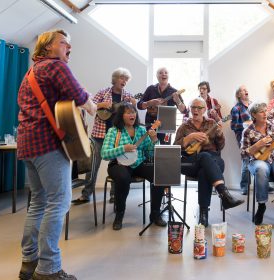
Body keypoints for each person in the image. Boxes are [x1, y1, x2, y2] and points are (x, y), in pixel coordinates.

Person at [17, 29, 96, 280]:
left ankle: (29, 262)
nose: (68, 48)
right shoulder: (55, 67)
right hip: (48, 145)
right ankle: (48, 269)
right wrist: (91, 105)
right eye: (64, 43)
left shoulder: (31, 72)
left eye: (69, 44)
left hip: (28, 144)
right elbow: (80, 96)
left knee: (38, 202)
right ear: (47, 46)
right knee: (59, 202)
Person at [174, 97, 244, 227]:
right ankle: (224, 194)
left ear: (204, 109)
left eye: (199, 108)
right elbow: (175, 148)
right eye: (193, 107)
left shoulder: (212, 123)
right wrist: (189, 137)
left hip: (213, 159)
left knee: (204, 170)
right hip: (189, 161)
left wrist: (219, 134)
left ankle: (203, 214)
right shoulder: (184, 126)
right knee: (204, 157)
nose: (195, 110)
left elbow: (221, 146)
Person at [71, 67, 136, 206]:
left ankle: (114, 194)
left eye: (126, 79)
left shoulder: (128, 96)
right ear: (115, 79)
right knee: (92, 166)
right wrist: (102, 104)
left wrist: (134, 104)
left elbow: (132, 114)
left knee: (117, 166)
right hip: (99, 135)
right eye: (121, 78)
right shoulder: (103, 92)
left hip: (117, 137)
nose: (123, 81)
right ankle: (86, 194)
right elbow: (89, 106)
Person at [101, 102, 166, 230]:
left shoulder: (142, 130)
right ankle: (119, 214)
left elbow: (150, 153)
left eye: (133, 112)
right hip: (118, 165)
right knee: (123, 177)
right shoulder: (114, 131)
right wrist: (122, 148)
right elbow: (104, 154)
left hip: (138, 163)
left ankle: (155, 214)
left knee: (159, 175)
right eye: (128, 112)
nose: (132, 115)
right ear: (121, 115)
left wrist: (154, 140)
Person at [240, 102, 274, 231]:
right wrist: (258, 145)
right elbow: (243, 153)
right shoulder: (248, 131)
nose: (265, 114)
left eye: (265, 111)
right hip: (257, 160)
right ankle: (262, 205)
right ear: (254, 115)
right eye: (261, 112)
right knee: (261, 168)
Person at [137, 67, 187, 144]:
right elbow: (139, 106)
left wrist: (178, 100)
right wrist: (149, 103)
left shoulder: (174, 92)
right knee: (150, 148)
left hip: (167, 126)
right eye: (160, 73)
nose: (163, 74)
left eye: (166, 73)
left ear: (168, 76)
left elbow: (184, 111)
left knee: (164, 148)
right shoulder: (150, 89)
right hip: (150, 124)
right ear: (157, 76)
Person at [230, 85, 252, 195]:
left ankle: (264, 184)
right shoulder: (236, 108)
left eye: (246, 89)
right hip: (243, 138)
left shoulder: (254, 105)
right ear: (239, 94)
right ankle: (244, 186)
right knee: (246, 160)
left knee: (263, 158)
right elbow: (233, 126)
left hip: (257, 137)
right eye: (243, 90)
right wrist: (245, 125)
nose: (246, 90)